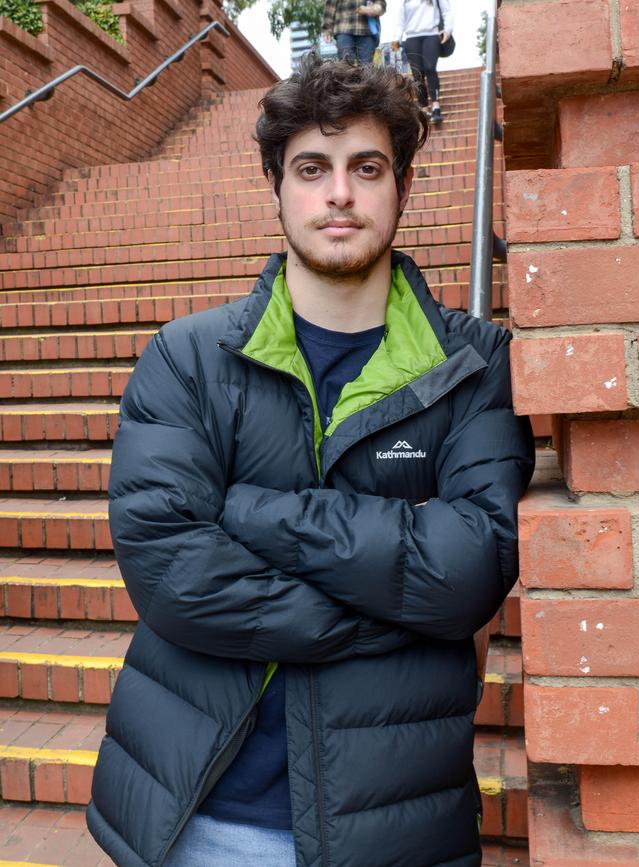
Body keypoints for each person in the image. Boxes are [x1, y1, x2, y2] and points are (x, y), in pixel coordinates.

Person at [87, 53, 535, 867]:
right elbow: (169, 567)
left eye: (367, 167)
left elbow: (471, 566)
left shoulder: (473, 366)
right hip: (206, 814)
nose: (339, 194)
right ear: (277, 185)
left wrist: (250, 509)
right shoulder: (190, 358)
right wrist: (395, 616)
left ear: (402, 184)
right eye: (311, 168)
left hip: (395, 824)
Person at [392, 0, 453, 123]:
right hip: (411, 37)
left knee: (430, 68)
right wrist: (396, 38)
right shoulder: (405, 2)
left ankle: (436, 106)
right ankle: (424, 107)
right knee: (417, 73)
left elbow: (446, 12)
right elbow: (400, 21)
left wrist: (448, 30)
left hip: (431, 34)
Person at [322, 0, 385, 64]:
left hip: (367, 30)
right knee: (345, 65)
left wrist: (373, 9)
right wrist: (327, 29)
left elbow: (381, 3)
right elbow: (330, 5)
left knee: (366, 67)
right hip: (343, 28)